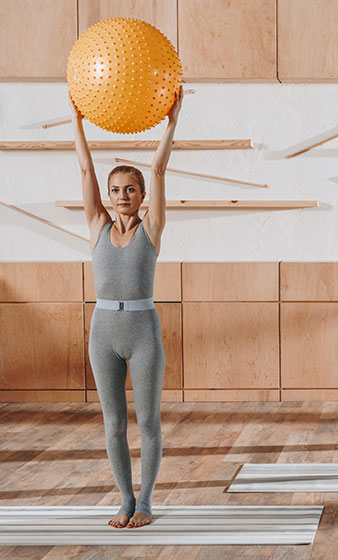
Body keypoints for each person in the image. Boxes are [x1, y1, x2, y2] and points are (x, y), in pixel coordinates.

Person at [71, 87, 182, 527]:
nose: (120, 195)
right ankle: (124, 500)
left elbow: (158, 166)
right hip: (103, 331)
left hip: (142, 332)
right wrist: (77, 120)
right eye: (115, 189)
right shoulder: (97, 225)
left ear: (140, 196)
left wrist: (172, 122)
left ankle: (147, 503)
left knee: (149, 422)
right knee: (114, 423)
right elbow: (84, 167)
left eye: (130, 189)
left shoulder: (151, 228)